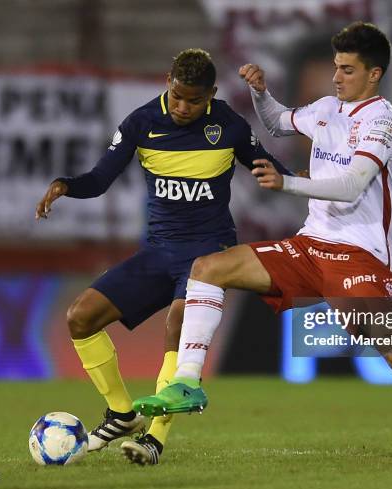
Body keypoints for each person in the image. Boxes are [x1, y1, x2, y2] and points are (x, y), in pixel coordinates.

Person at [134, 22, 392, 463]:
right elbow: (277, 123)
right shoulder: (327, 108)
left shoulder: (383, 121)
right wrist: (260, 92)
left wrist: (288, 184)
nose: (337, 77)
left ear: (374, 75)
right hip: (311, 246)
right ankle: (189, 382)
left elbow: (353, 185)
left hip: (359, 256)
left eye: (348, 70)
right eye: (336, 67)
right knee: (207, 269)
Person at [35, 48, 292, 466]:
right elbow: (101, 179)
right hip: (157, 252)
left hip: (209, 255)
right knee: (79, 317)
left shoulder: (227, 124)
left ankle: (154, 439)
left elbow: (270, 167)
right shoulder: (141, 122)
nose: (183, 107)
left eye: (194, 100)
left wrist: (311, 188)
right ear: (167, 81)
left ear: (210, 94)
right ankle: (121, 412)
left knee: (178, 322)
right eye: (177, 96)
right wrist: (66, 185)